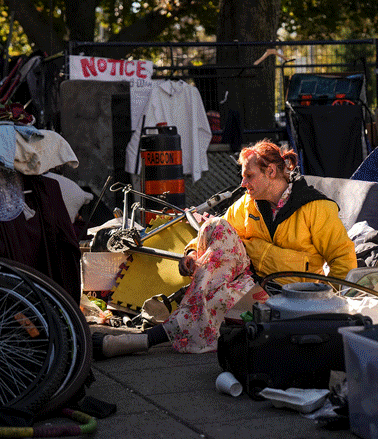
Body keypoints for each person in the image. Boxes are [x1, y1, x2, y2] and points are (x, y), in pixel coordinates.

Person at [95, 140, 357, 357]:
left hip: (290, 298)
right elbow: (214, 234)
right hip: (249, 282)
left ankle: (141, 341)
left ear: (271, 172)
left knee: (215, 298)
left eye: (249, 176)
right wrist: (191, 253)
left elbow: (342, 259)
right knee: (216, 225)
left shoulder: (316, 208)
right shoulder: (248, 204)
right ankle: (144, 340)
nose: (243, 183)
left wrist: (330, 308)